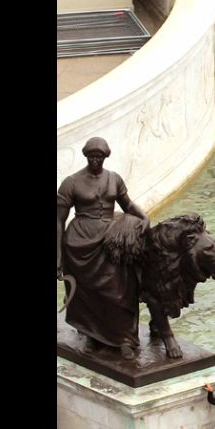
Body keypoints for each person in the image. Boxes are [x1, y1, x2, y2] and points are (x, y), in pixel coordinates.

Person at [57, 137, 150, 360]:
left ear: (105, 157)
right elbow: (58, 220)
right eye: (91, 156)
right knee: (88, 292)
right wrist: (57, 255)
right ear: (86, 156)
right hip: (80, 243)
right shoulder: (71, 182)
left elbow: (127, 205)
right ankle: (92, 335)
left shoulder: (114, 178)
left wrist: (143, 216)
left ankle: (124, 338)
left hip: (109, 239)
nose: (95, 160)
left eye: (99, 156)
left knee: (121, 288)